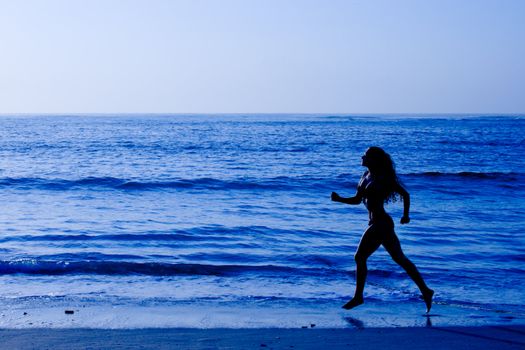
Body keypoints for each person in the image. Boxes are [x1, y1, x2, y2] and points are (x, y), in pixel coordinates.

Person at [331, 146, 434, 313]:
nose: (362, 157)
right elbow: (357, 200)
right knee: (400, 259)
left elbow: (405, 194)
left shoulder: (384, 178)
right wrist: (339, 199)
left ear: (373, 159)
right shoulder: (365, 176)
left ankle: (358, 297)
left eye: (365, 155)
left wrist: (406, 215)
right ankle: (426, 290)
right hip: (376, 224)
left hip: (382, 224)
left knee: (359, 257)